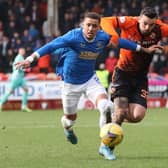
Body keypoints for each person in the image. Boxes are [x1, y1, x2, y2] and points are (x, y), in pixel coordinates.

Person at [15, 12, 160, 160]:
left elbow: (120, 42)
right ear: (82, 25)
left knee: (107, 107)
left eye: (94, 26)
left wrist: (144, 49)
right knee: (69, 119)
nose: (91, 28)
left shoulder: (102, 37)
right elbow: (51, 46)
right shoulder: (73, 36)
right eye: (88, 25)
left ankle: (105, 146)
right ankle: (68, 129)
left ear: (99, 27)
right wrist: (30, 59)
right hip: (70, 84)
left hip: (90, 80)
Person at [101, 6, 168, 159]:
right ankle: (106, 147)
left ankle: (112, 113)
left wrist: (165, 49)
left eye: (151, 24)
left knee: (137, 115)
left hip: (140, 77)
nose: (147, 27)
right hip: (122, 74)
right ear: (139, 19)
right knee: (122, 111)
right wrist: (113, 36)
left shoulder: (160, 28)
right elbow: (104, 20)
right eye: (144, 23)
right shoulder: (128, 22)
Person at [0, 47, 32, 112]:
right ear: (19, 51)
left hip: (20, 77)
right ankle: (0, 103)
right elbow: (17, 66)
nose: (23, 52)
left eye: (23, 51)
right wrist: (26, 69)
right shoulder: (19, 57)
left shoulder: (21, 58)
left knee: (26, 90)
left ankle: (24, 106)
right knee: (10, 91)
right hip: (17, 77)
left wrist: (25, 69)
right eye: (21, 51)